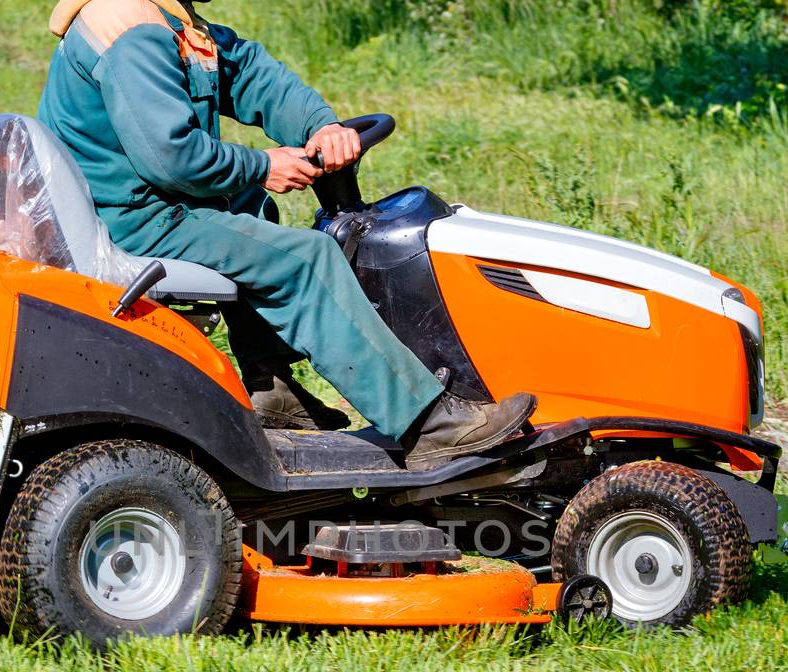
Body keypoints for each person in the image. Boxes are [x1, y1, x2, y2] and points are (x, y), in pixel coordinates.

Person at [40, 0, 535, 470]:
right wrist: (261, 165)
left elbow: (248, 73)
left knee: (254, 210)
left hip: (137, 204)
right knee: (306, 260)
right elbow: (171, 158)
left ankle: (271, 390)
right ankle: (427, 423)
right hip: (135, 220)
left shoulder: (167, 15)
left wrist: (321, 126)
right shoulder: (130, 28)